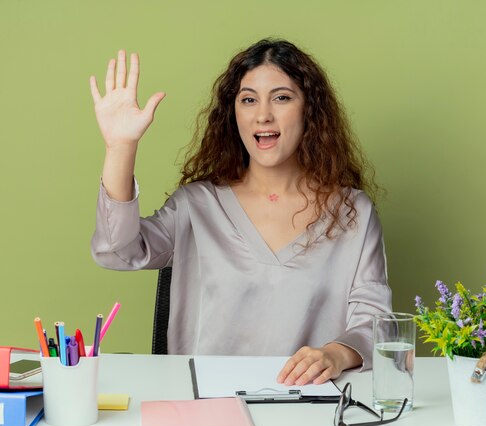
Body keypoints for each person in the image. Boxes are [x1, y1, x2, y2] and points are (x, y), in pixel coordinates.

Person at [89, 39, 391, 386]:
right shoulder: (197, 205)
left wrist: (336, 354)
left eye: (281, 97)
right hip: (207, 409)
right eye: (248, 99)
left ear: (310, 110)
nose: (263, 114)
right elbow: (116, 251)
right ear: (233, 114)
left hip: (310, 409)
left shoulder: (353, 212)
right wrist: (120, 148)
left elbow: (375, 322)